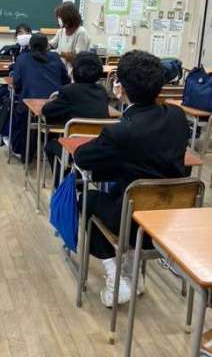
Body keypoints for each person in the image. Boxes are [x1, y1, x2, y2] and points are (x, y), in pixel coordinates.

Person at [73, 50, 190, 307]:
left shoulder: (122, 132)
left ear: (121, 88)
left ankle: (116, 276)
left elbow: (83, 157)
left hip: (134, 221)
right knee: (121, 191)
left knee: (87, 199)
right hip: (172, 218)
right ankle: (130, 272)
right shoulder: (178, 117)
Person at [43, 52, 110, 179]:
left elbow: (47, 110)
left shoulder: (68, 90)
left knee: (50, 146)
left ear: (74, 71)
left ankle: (63, 184)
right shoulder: (102, 91)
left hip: (76, 149)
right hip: (99, 148)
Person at [12, 33, 70, 159]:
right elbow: (66, 81)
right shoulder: (55, 57)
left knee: (20, 110)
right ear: (47, 46)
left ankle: (26, 155)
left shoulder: (22, 58)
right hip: (54, 105)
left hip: (30, 106)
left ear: (30, 46)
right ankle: (52, 154)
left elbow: (16, 83)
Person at [50, 2, 90, 76]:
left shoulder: (81, 32)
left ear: (68, 17)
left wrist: (60, 53)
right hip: (62, 72)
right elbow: (52, 44)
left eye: (60, 17)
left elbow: (78, 58)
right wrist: (42, 44)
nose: (59, 20)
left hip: (75, 74)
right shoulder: (61, 31)